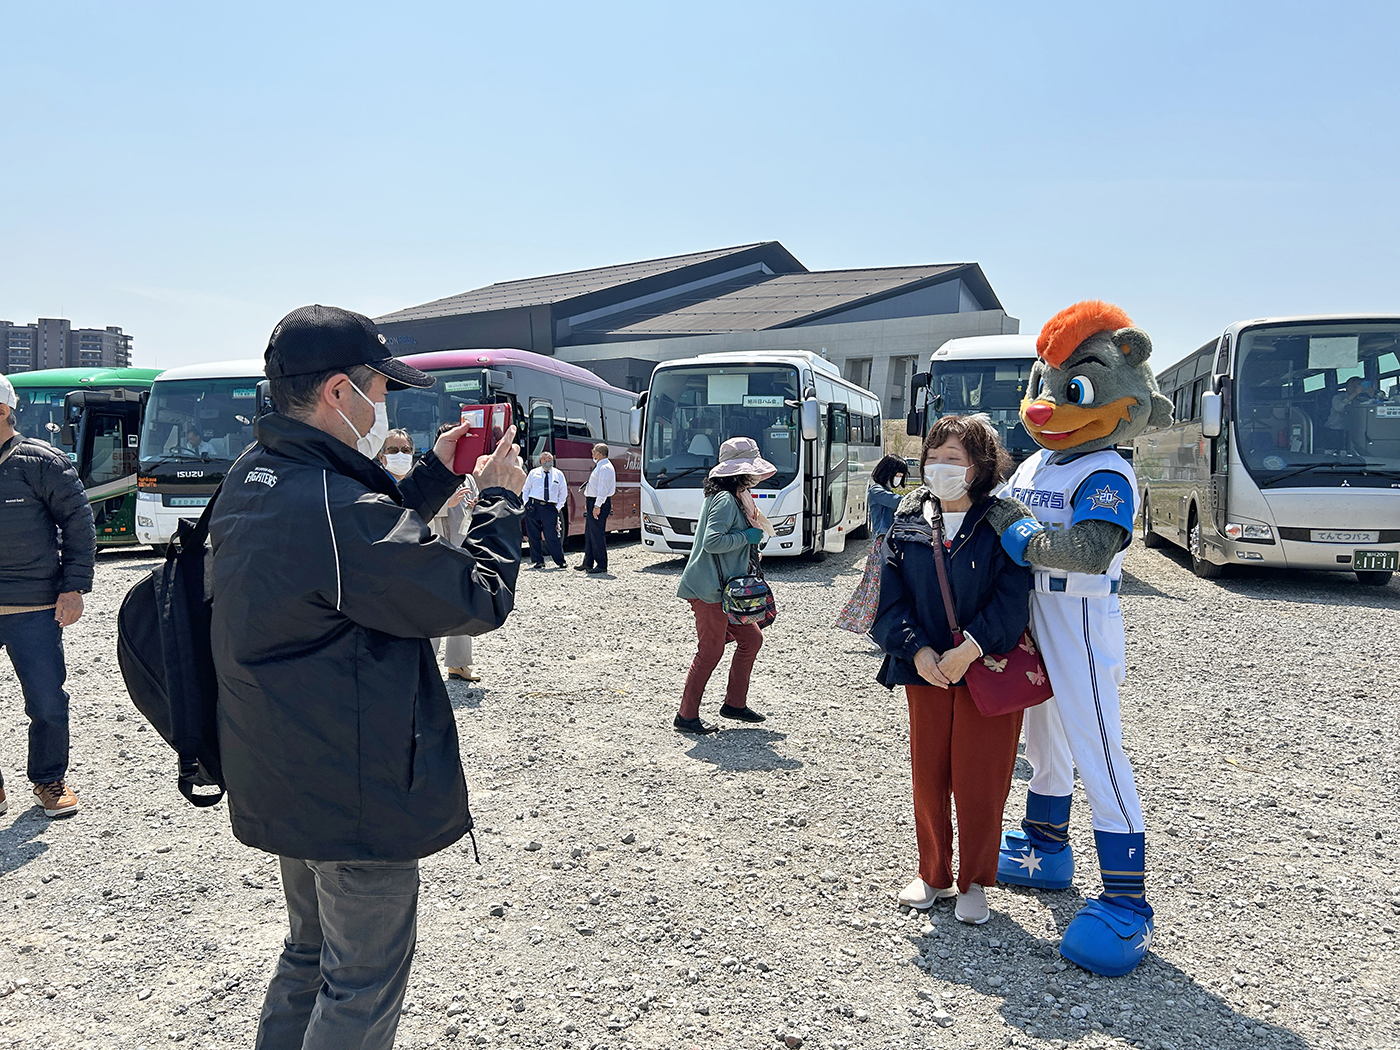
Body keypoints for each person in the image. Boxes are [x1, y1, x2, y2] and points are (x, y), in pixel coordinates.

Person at [208, 304, 526, 1050]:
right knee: (361, 982)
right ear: (338, 393)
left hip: (280, 763)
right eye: (379, 390)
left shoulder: (256, 474)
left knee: (309, 952)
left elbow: (362, 553)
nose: (385, 407)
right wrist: (501, 500)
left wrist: (435, 476)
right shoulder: (334, 505)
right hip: (351, 788)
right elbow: (474, 596)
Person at [871, 415, 1030, 925]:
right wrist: (917, 650)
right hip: (925, 671)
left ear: (979, 466)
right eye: (933, 458)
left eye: (953, 459)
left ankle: (976, 880)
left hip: (986, 667)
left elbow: (1013, 599)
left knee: (981, 778)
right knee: (929, 775)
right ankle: (934, 873)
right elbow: (888, 597)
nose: (939, 468)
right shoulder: (909, 520)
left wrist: (970, 649)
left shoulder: (1003, 522)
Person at [0, 375, 94, 819]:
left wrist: (73, 588)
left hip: (33, 608)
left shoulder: (41, 462)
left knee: (46, 703)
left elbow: (79, 525)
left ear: (2, 412)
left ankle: (49, 779)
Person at [674, 437, 776, 735]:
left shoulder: (733, 497)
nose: (755, 476)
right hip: (710, 589)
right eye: (751, 470)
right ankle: (686, 716)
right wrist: (747, 537)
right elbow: (712, 541)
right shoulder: (725, 500)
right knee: (710, 652)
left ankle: (734, 704)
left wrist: (749, 541)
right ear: (740, 473)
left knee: (752, 639)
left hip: (725, 590)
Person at [430, 423, 482, 682]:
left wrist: (475, 505)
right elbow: (417, 509)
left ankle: (459, 664)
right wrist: (445, 504)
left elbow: (475, 506)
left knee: (463, 607)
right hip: (436, 549)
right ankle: (426, 666)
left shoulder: (468, 475)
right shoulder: (429, 474)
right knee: (432, 609)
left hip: (463, 547)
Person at [835, 454, 908, 636]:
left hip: (890, 543)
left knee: (881, 587)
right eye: (898, 474)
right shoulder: (877, 490)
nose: (899, 478)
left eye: (901, 475)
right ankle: (872, 627)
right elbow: (897, 502)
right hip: (882, 543)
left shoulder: (884, 490)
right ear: (888, 472)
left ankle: (876, 627)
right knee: (877, 587)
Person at [521, 451, 568, 569]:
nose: (547, 462)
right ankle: (538, 561)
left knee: (552, 535)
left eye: (549, 460)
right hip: (534, 506)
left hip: (549, 507)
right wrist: (526, 504)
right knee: (534, 536)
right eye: (545, 460)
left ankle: (560, 561)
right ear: (540, 461)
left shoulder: (558, 474)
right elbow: (526, 489)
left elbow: (563, 492)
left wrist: (557, 508)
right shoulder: (533, 473)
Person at [577, 442, 616, 575]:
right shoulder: (600, 466)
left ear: (599, 453)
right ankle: (588, 562)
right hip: (592, 501)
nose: (592, 453)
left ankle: (601, 564)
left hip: (599, 502)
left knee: (597, 534)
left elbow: (602, 489)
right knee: (589, 533)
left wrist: (597, 505)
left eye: (593, 451)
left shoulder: (605, 468)